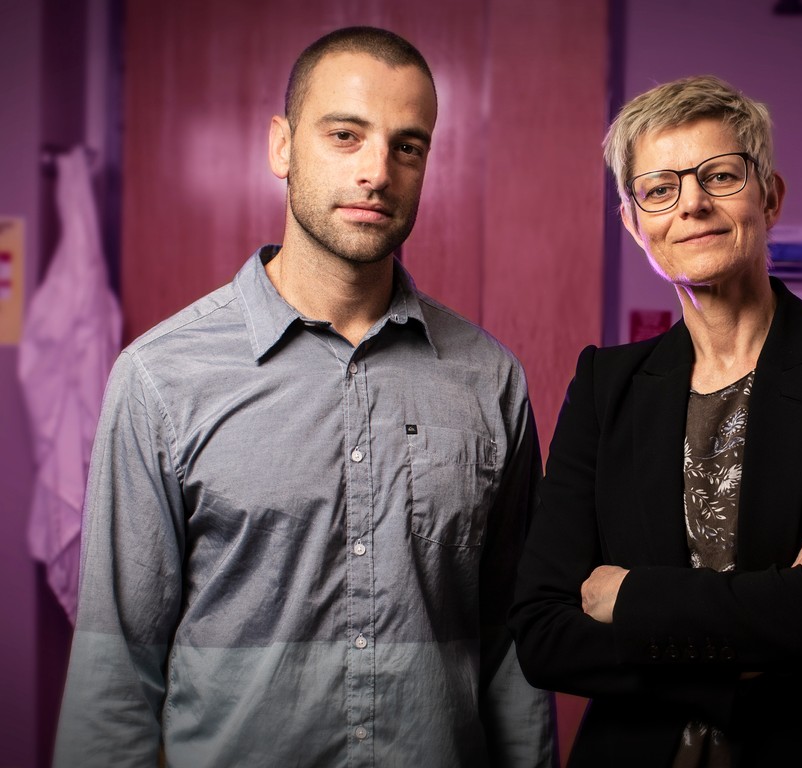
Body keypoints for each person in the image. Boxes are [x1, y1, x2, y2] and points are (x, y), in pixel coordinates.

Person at [54, 26, 552, 768]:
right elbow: (114, 677)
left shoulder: (490, 379)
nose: (377, 172)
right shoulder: (160, 378)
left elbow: (512, 654)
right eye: (345, 135)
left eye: (406, 146)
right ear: (282, 147)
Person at [509, 74, 802, 767]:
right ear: (633, 221)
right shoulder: (604, 385)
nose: (692, 205)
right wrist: (764, 636)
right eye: (659, 189)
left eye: (720, 175)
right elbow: (544, 634)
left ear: (770, 194)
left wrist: (631, 595)